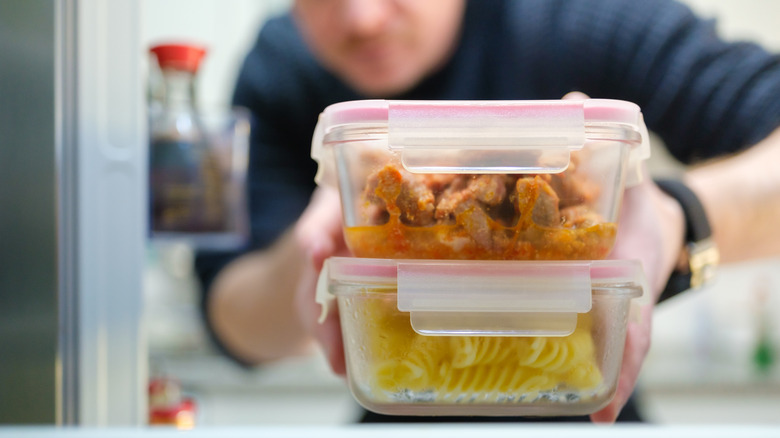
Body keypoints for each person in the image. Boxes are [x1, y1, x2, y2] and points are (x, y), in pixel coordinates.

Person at [194, 0, 780, 423]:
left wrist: (679, 216)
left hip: (589, 403)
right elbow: (229, 313)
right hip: (403, 400)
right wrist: (317, 257)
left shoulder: (578, 17)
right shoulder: (282, 64)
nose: (362, 17)